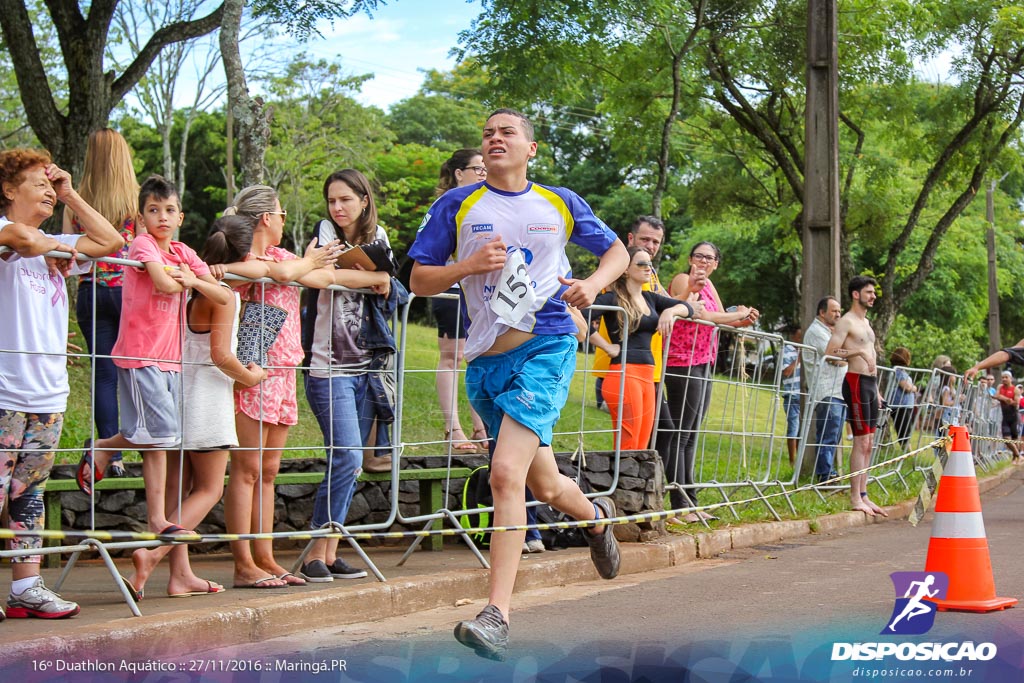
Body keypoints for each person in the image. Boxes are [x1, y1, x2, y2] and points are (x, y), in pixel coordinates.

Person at [408, 108, 629, 660]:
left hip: (548, 345)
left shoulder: (559, 202)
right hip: (485, 360)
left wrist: (593, 283)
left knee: (506, 475)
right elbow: (416, 278)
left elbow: (618, 251)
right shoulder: (457, 206)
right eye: (488, 133)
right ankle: (596, 521)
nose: (495, 139)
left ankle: (496, 615)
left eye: (507, 132)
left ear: (531, 148)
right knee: (547, 484)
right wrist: (466, 266)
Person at [1, 149, 123, 619]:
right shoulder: (8, 233)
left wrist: (72, 194)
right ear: (10, 190)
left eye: (53, 186)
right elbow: (21, 241)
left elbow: (109, 241)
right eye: (40, 184)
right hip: (5, 389)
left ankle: (26, 587)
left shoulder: (52, 241)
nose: (50, 192)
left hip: (48, 393)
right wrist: (57, 247)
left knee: (29, 494)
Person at [77, 176, 231, 545]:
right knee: (161, 437)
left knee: (158, 437)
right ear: (142, 217)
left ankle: (106, 449)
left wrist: (191, 279)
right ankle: (157, 516)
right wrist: (188, 279)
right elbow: (162, 283)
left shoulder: (183, 251)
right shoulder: (142, 245)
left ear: (180, 216)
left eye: (169, 210)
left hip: (170, 359)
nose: (162, 216)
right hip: (139, 353)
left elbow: (221, 295)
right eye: (153, 210)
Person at [122, 216, 270, 598]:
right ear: (245, 252)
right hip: (206, 398)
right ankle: (151, 555)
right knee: (208, 490)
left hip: (177, 392)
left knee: (179, 489)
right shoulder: (223, 294)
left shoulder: (187, 286)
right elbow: (221, 355)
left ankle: (180, 575)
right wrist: (251, 377)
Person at [215, 185, 343, 589]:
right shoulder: (243, 258)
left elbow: (322, 275)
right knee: (248, 468)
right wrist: (305, 264)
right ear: (267, 218)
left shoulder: (285, 257)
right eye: (282, 212)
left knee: (268, 470)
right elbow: (293, 273)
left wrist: (305, 264)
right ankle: (243, 561)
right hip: (253, 367)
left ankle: (266, 556)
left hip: (285, 368)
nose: (286, 220)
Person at [301, 169, 397, 583]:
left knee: (349, 463)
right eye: (332, 200)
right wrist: (373, 277)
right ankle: (311, 554)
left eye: (345, 200)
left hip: (367, 367)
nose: (337, 208)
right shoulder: (324, 233)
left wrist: (379, 277)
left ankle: (330, 550)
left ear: (363, 200)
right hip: (328, 367)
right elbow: (321, 275)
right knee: (347, 456)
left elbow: (391, 282)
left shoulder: (380, 237)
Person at [62, 129, 140, 478]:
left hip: (92, 291)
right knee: (134, 370)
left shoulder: (79, 199)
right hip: (128, 291)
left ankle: (113, 452)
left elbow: (69, 242)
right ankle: (141, 439)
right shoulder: (136, 200)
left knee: (104, 373)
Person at [665, 242, 759, 523]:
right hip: (682, 360)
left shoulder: (711, 287)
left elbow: (719, 319)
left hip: (704, 360)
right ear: (690, 259)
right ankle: (679, 502)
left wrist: (744, 320)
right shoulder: (684, 281)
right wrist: (737, 314)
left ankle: (690, 501)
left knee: (692, 433)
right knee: (682, 433)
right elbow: (701, 315)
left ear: (717, 263)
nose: (704, 262)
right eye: (699, 256)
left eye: (710, 258)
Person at [587, 246, 701, 450]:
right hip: (624, 375)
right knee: (628, 443)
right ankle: (619, 481)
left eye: (650, 264)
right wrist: (606, 346)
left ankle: (631, 481)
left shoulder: (650, 298)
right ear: (625, 269)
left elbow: (690, 308)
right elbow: (580, 316)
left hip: (647, 376)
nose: (648, 268)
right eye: (641, 264)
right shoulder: (612, 298)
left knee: (642, 443)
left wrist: (670, 312)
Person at [432, 149, 489, 453]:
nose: (484, 173)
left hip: (479, 294)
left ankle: (480, 428)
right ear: (459, 173)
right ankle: (453, 429)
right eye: (478, 169)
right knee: (453, 357)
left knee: (477, 356)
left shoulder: (487, 202)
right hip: (451, 290)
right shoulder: (447, 205)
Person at [827, 274, 887, 517]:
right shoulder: (847, 321)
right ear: (856, 294)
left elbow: (870, 352)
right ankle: (855, 497)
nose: (873, 296)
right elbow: (830, 352)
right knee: (861, 441)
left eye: (873, 293)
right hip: (855, 382)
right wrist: (856, 354)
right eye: (869, 292)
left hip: (871, 385)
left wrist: (879, 391)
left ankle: (864, 494)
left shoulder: (867, 323)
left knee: (870, 443)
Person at [802, 296, 847, 482]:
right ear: (822, 312)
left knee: (834, 434)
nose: (838, 314)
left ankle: (829, 472)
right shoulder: (816, 332)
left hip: (838, 391)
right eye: (834, 311)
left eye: (839, 311)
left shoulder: (831, 332)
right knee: (828, 434)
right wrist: (853, 355)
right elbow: (834, 356)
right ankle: (825, 475)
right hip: (826, 391)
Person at [780, 326, 802, 466]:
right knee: (793, 428)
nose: (801, 340)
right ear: (794, 336)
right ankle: (792, 460)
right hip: (792, 395)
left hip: (804, 395)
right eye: (799, 336)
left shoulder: (807, 351)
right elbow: (786, 372)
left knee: (802, 429)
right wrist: (798, 359)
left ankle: (801, 460)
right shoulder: (786, 350)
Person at [887, 347, 918, 449]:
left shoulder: (899, 371)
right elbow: (906, 387)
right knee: (904, 433)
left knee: (906, 432)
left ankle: (907, 454)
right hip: (900, 406)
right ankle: (907, 455)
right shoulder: (898, 371)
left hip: (904, 405)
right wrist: (914, 388)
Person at [995, 371, 1021, 460]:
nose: (1004, 379)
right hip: (1005, 416)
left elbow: (1016, 403)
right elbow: (996, 396)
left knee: (1015, 438)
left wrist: (1004, 399)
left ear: (1010, 378)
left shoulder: (1015, 389)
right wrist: (1006, 399)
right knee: (1006, 439)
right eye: (1002, 377)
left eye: (1006, 377)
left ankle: (1015, 458)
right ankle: (1018, 455)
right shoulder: (1000, 387)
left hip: (1014, 416)